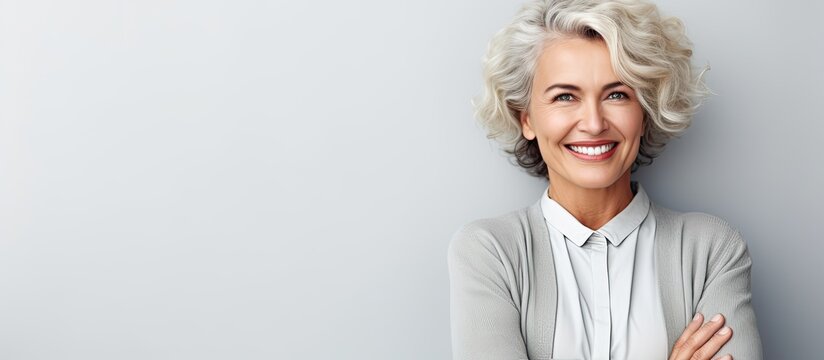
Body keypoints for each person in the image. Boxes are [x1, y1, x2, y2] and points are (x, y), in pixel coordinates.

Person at [447, 0, 763, 359]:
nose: (594, 123)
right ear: (526, 119)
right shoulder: (489, 251)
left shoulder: (711, 249)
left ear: (645, 113)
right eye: (565, 96)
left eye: (617, 94)